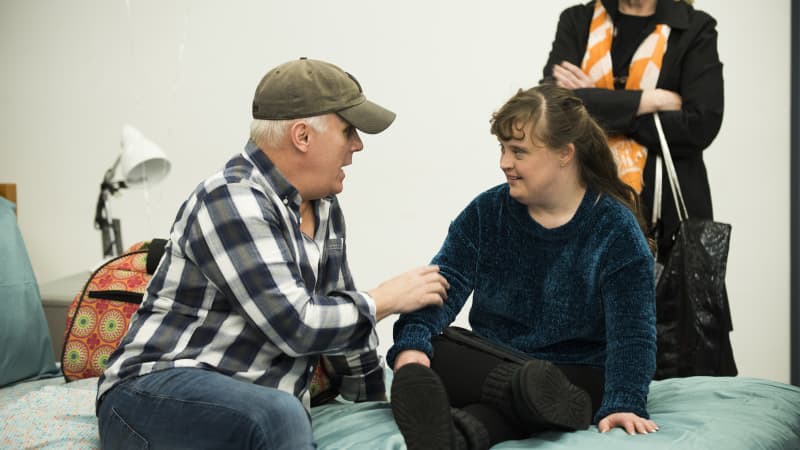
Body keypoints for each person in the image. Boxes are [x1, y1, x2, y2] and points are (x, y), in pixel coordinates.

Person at [96, 57, 450, 449]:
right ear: (302, 136)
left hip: (258, 403)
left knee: (281, 412)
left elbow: (341, 319)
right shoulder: (230, 199)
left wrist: (377, 405)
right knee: (278, 415)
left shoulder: (324, 208)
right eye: (348, 131)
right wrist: (384, 299)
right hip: (157, 391)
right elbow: (296, 327)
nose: (357, 146)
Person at [388, 84, 658, 450]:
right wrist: (412, 352)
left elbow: (633, 333)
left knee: (550, 391)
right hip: (496, 363)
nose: (504, 162)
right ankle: (455, 437)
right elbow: (440, 289)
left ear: (565, 154)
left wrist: (624, 402)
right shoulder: (485, 213)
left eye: (519, 151)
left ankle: (464, 433)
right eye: (502, 149)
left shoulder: (614, 229)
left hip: (577, 375)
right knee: (437, 347)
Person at [542, 0, 723, 257]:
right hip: (582, 205)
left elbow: (699, 125)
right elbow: (552, 108)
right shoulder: (578, 21)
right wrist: (650, 100)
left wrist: (595, 100)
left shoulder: (695, 27)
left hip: (667, 221)